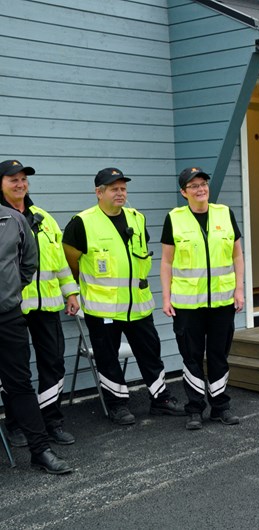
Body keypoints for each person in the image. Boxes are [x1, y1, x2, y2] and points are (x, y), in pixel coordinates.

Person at [63, 167, 184, 425]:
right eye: (114, 188)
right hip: (103, 309)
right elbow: (71, 261)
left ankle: (161, 399)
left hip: (139, 305)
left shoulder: (136, 218)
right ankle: (117, 404)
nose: (120, 193)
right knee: (108, 359)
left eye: (123, 188)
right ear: (99, 192)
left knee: (151, 353)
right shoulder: (81, 223)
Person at [0, 160, 79, 448]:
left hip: (47, 307)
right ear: (1, 184)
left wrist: (70, 293)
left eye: (23, 180)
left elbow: (59, 262)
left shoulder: (44, 218)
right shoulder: (1, 219)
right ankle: (16, 423)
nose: (20, 184)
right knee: (16, 369)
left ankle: (52, 420)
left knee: (53, 362)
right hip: (13, 308)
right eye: (13, 180)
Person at [160, 167, 245, 430]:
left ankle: (220, 406)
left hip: (222, 302)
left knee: (219, 355)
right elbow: (166, 261)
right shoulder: (174, 219)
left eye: (204, 183)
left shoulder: (225, 213)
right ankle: (195, 408)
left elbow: (237, 255)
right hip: (187, 304)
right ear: (183, 192)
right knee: (192, 356)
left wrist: (239, 289)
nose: (201, 189)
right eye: (194, 185)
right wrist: (166, 296)